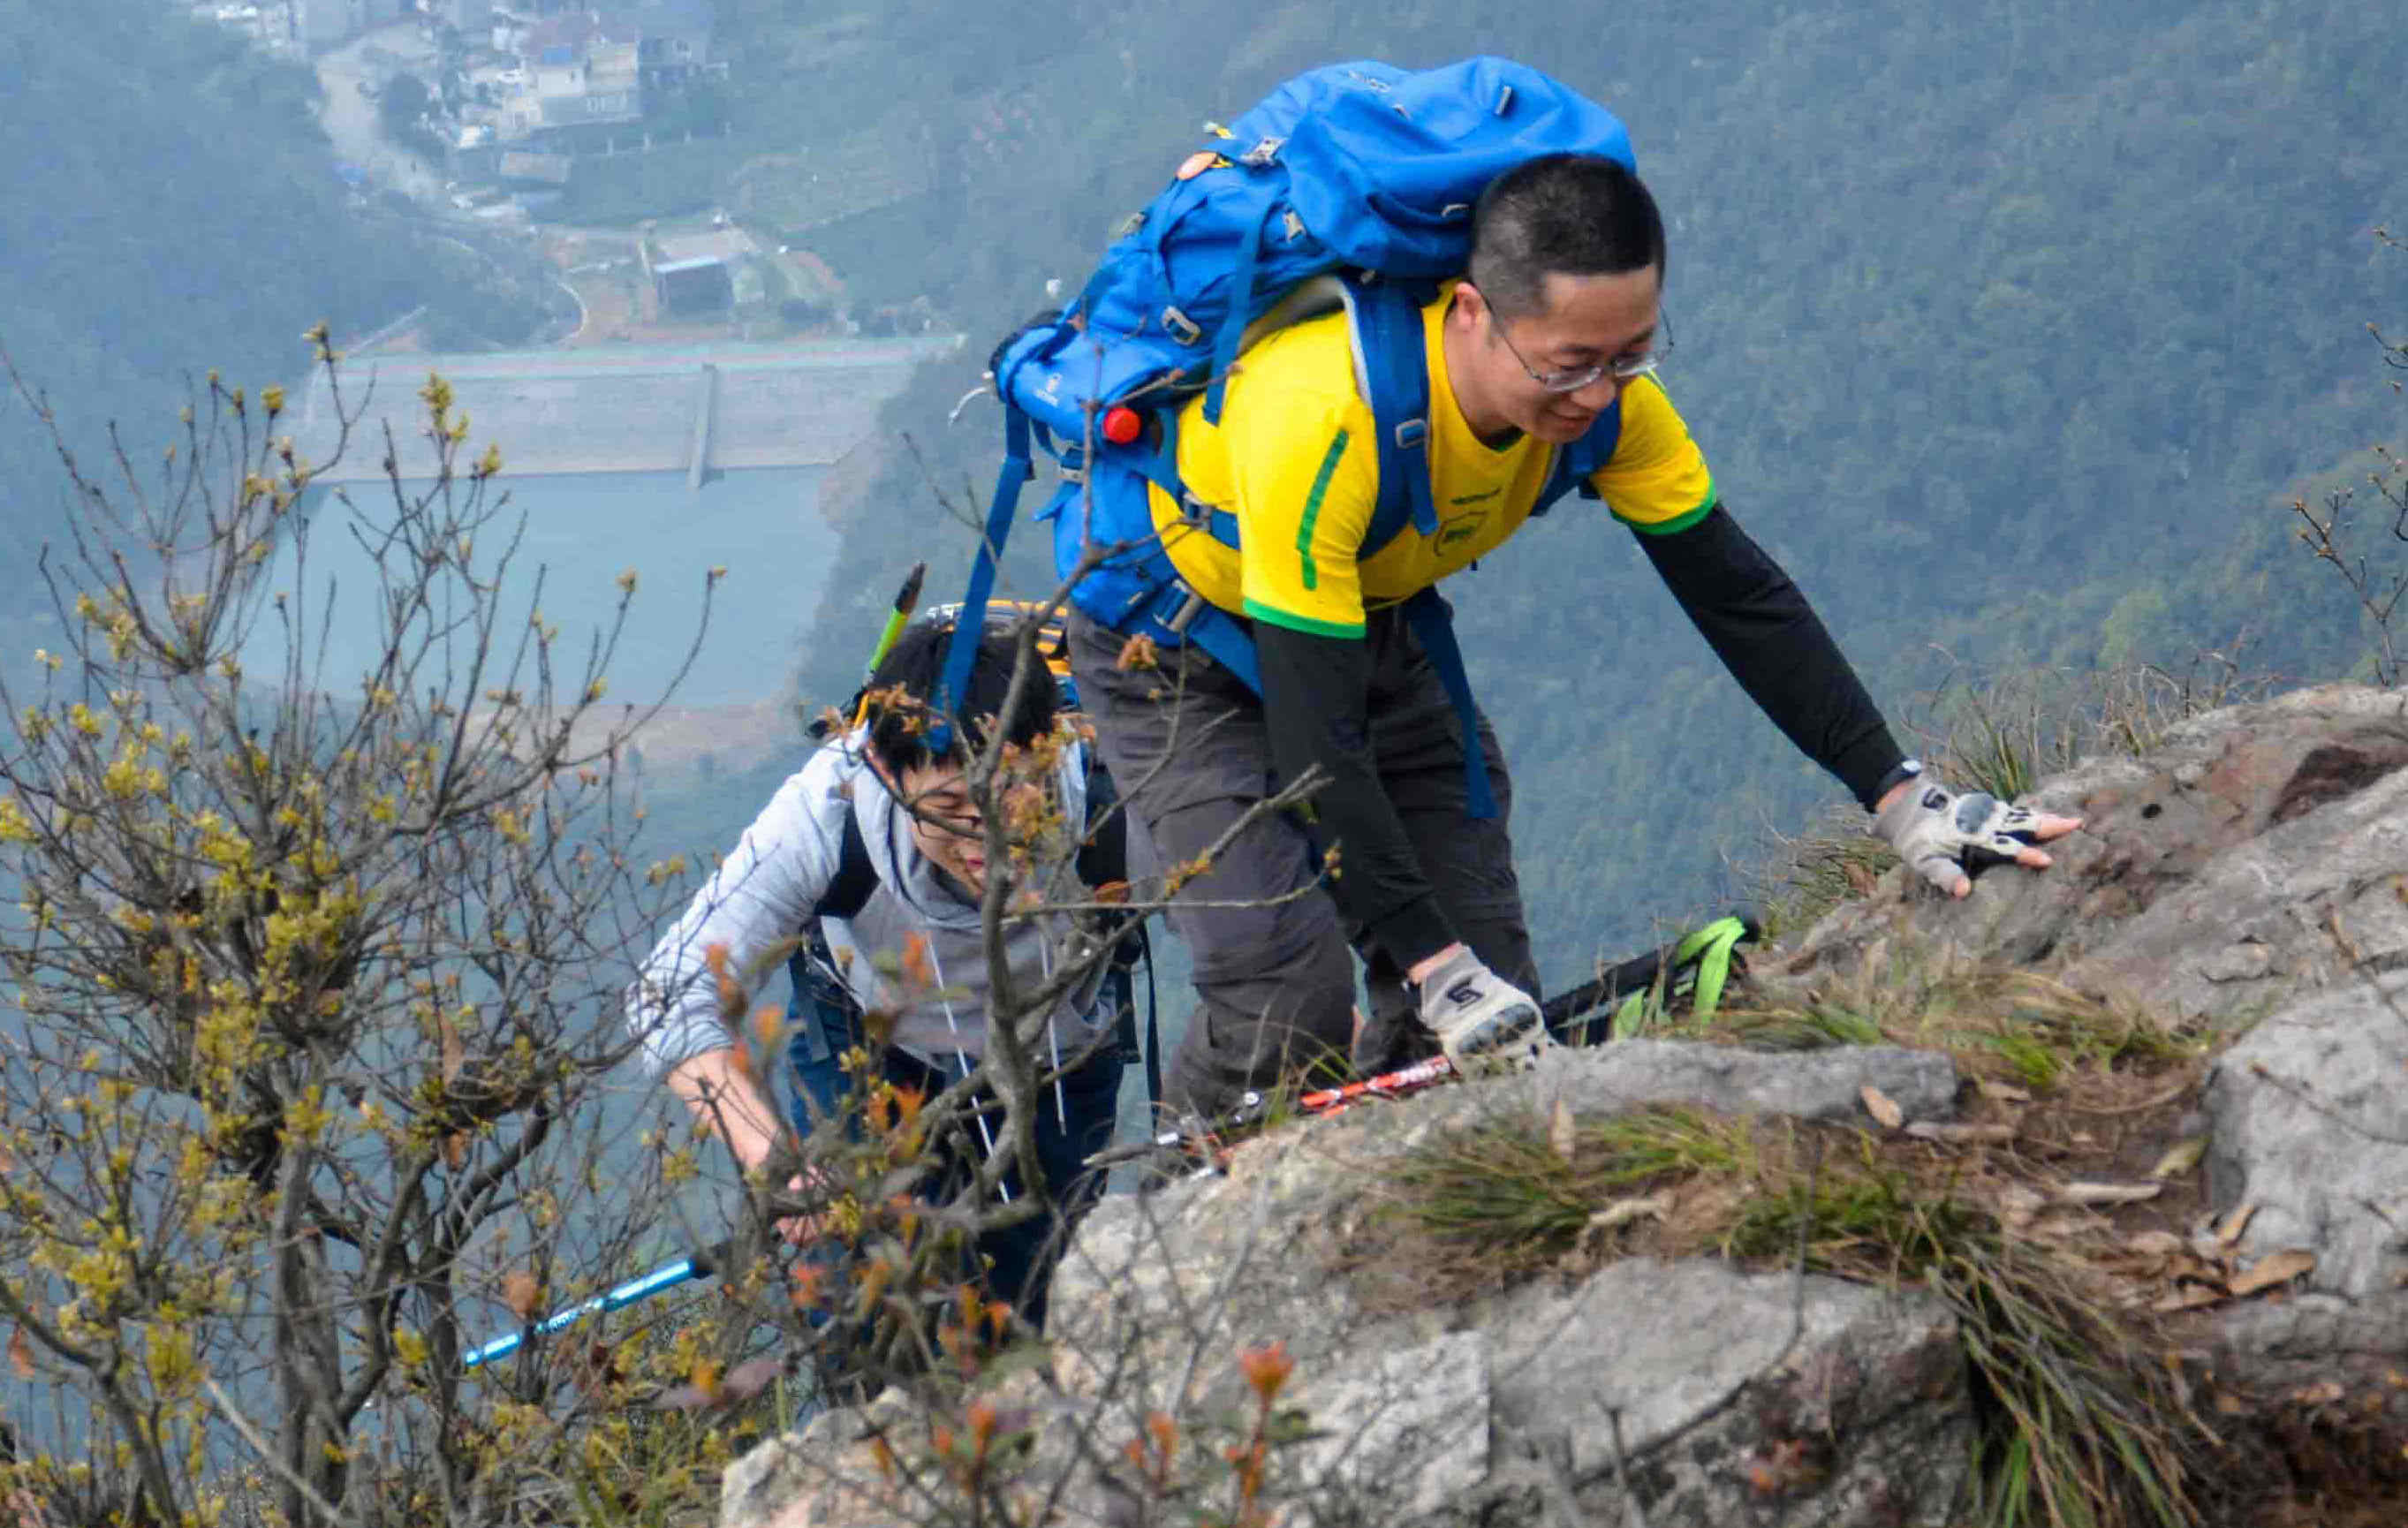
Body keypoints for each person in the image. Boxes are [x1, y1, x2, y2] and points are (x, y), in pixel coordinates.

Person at [1066, 148, 2079, 1121]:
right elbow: (1316, 746)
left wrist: (1902, 798)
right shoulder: (1324, 414)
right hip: (1176, 649)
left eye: (1630, 354)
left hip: (1366, 617)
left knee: (1491, 1007)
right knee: (1286, 992)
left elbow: (1736, 594)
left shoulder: (1613, 407)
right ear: (1470, 312)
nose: (1597, 393)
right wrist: (1434, 971)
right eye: (1568, 364)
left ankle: (1405, 1231)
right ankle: (1168, 1229)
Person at [627, 616, 1131, 1327]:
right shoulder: (828, 813)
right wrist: (778, 1167)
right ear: (886, 774)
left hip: (1057, 1049)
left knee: (1045, 1295)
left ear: (1049, 756)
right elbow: (668, 991)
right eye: (952, 806)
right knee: (863, 1303)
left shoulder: (1119, 788)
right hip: (871, 1043)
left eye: (1013, 794)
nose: (987, 837)